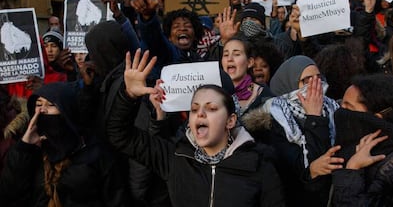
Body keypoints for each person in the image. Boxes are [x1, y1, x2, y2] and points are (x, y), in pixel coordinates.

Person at [105, 49, 286, 207]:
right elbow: (119, 135)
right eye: (194, 108)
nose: (200, 114)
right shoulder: (176, 158)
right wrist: (128, 95)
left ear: (230, 120)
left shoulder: (259, 166)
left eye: (212, 108)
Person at [0, 82, 128, 206]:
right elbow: (10, 193)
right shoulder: (31, 151)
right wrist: (24, 147)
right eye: (38, 104)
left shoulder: (95, 153)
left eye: (50, 105)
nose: (42, 110)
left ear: (67, 111)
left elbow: (116, 198)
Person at [243, 55, 341, 206]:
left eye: (318, 78)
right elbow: (306, 169)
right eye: (306, 80)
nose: (315, 85)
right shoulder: (274, 121)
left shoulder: (333, 110)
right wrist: (314, 117)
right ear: (289, 84)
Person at [332, 73, 393, 206]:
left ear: (375, 119)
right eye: (342, 104)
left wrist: (353, 169)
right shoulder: (351, 148)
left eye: (349, 107)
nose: (341, 113)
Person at [221, 36, 274, 120]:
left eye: (236, 54)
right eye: (226, 55)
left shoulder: (264, 96)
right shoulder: (216, 95)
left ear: (249, 62)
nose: (229, 59)